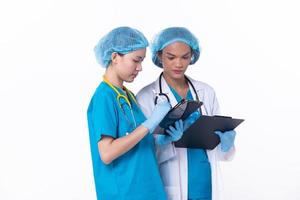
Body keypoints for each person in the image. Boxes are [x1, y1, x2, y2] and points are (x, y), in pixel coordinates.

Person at [136, 27, 237, 200]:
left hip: (205, 183)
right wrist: (164, 142)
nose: (178, 64)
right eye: (171, 57)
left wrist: (226, 144)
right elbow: (141, 154)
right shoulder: (146, 97)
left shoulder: (206, 91)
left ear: (192, 55)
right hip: (171, 186)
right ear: (159, 56)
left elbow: (217, 147)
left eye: (185, 57)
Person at [87, 27, 184, 200]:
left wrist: (163, 141)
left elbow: (136, 144)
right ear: (115, 57)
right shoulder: (104, 98)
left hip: (150, 190)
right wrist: (149, 124)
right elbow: (107, 153)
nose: (139, 68)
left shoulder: (128, 95)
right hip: (125, 193)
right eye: (136, 60)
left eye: (142, 61)